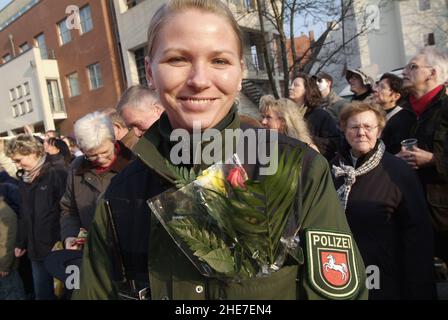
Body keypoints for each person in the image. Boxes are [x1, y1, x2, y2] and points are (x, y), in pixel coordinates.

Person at [73, 0, 367, 300]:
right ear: (150, 72)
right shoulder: (120, 196)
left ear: (240, 72)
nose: (199, 80)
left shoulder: (298, 170)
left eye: (220, 61)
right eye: (177, 59)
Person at [331, 102, 434, 299]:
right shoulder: (334, 168)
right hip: (341, 272)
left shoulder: (397, 171)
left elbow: (417, 232)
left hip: (384, 275)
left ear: (379, 131)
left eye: (368, 127)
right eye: (354, 127)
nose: (361, 133)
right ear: (344, 130)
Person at [397, 47, 448, 264]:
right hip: (411, 216)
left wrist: (433, 160)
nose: (404, 72)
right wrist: (394, 161)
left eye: (413, 67)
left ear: (432, 73)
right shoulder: (399, 119)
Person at [60, 112, 133, 250]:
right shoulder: (76, 168)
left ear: (113, 140)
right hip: (93, 251)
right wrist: (70, 235)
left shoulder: (133, 164)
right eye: (92, 155)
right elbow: (68, 209)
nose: (100, 158)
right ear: (82, 150)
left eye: (105, 152)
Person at [5, 134, 67, 300]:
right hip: (35, 249)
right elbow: (26, 215)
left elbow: (66, 211)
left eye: (19, 160)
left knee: (65, 293)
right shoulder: (24, 180)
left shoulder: (55, 172)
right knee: (42, 295)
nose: (17, 165)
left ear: (33, 152)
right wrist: (21, 242)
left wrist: (64, 240)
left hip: (57, 247)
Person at [289, 74, 341, 161]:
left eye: (296, 85)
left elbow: (334, 143)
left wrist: (307, 141)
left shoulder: (320, 115)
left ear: (307, 90)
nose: (290, 88)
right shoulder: (287, 115)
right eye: (291, 85)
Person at [373, 73, 416, 154]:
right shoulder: (374, 115)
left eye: (382, 87)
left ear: (395, 96)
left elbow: (399, 151)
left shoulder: (404, 119)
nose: (376, 89)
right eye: (377, 85)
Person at [0, 198, 26, 300]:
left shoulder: (5, 213)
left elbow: (7, 242)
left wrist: (4, 266)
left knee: (12, 293)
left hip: (5, 270)